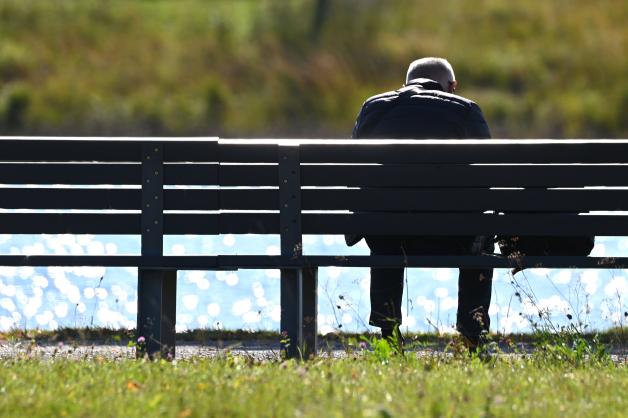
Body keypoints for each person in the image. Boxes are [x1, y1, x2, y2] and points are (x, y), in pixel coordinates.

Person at [347, 57, 494, 350]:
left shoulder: (373, 109)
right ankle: (471, 333)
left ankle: (388, 332)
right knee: (482, 236)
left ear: (406, 84)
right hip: (454, 236)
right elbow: (488, 178)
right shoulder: (465, 110)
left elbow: (357, 174)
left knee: (383, 218)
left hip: (388, 237)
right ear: (452, 86)